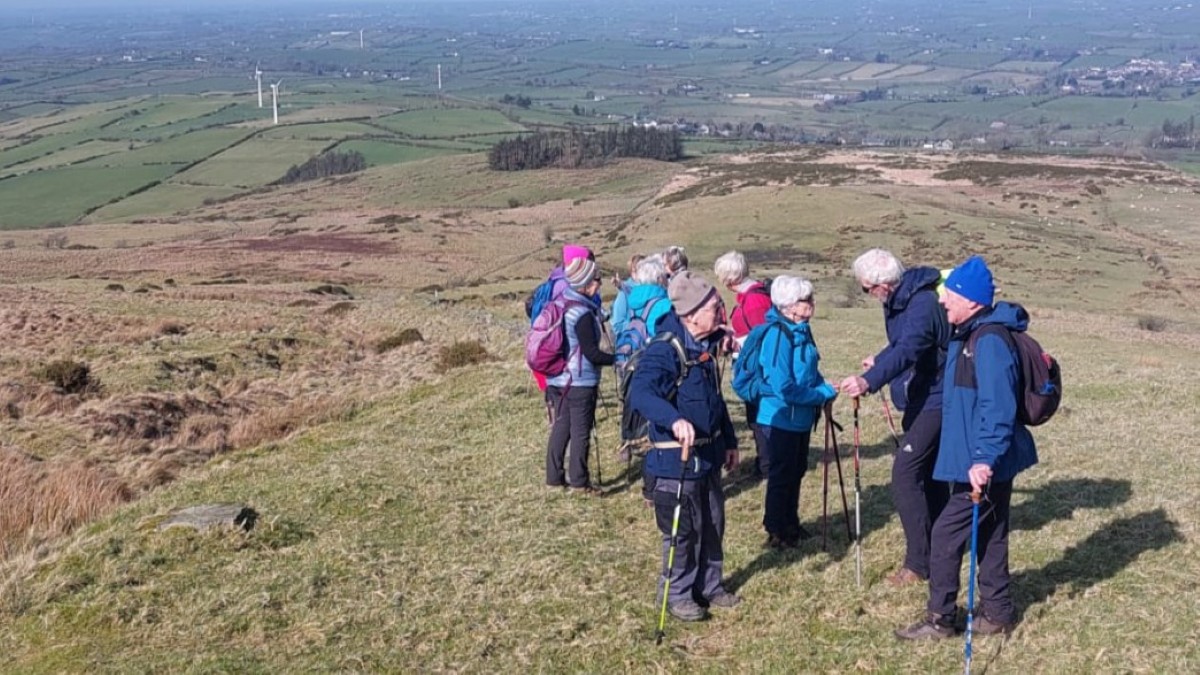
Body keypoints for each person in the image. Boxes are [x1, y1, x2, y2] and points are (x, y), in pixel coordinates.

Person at [896, 256, 1038, 640]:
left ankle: (940, 619)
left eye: (950, 296)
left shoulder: (988, 341)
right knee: (992, 533)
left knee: (944, 537)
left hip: (984, 462)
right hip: (983, 459)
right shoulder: (969, 333)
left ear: (972, 301)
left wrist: (983, 459)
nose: (943, 302)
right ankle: (999, 612)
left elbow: (998, 406)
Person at [629, 270, 741, 623]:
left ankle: (709, 586)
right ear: (691, 314)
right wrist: (674, 419)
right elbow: (640, 393)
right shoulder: (664, 350)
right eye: (714, 306)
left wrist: (729, 440)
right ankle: (677, 595)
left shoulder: (704, 346)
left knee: (713, 524)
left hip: (708, 456)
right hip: (674, 461)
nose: (721, 310)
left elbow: (715, 401)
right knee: (682, 532)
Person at [839, 248, 950, 586]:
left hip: (938, 398)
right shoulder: (904, 299)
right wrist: (880, 358)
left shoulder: (922, 304)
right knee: (929, 476)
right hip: (922, 395)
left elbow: (910, 347)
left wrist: (868, 381)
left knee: (905, 474)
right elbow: (901, 345)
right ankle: (942, 548)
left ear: (882, 285)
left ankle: (918, 564)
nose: (868, 295)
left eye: (865, 289)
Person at [752, 276, 837, 549]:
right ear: (789, 306)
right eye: (806, 299)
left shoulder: (802, 329)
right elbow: (784, 387)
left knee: (796, 470)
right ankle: (776, 530)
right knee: (782, 474)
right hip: (779, 418)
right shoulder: (778, 335)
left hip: (799, 417)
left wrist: (822, 386)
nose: (812, 303)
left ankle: (790, 524)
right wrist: (820, 395)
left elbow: (809, 370)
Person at [544, 254, 614, 495]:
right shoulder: (582, 313)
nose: (600, 283)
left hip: (556, 378)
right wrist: (618, 359)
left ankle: (554, 478)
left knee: (561, 427)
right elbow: (592, 354)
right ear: (585, 283)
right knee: (581, 431)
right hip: (580, 381)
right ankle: (579, 482)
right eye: (597, 279)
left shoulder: (561, 302)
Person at [714, 250, 774, 477]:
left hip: (757, 370)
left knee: (759, 416)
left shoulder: (754, 301)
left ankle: (767, 464)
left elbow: (763, 339)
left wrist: (738, 342)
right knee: (755, 416)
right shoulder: (751, 297)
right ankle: (765, 460)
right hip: (752, 366)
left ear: (729, 279)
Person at [609, 253, 646, 337]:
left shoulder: (650, 288)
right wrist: (640, 324)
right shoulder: (624, 293)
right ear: (633, 271)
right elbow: (617, 325)